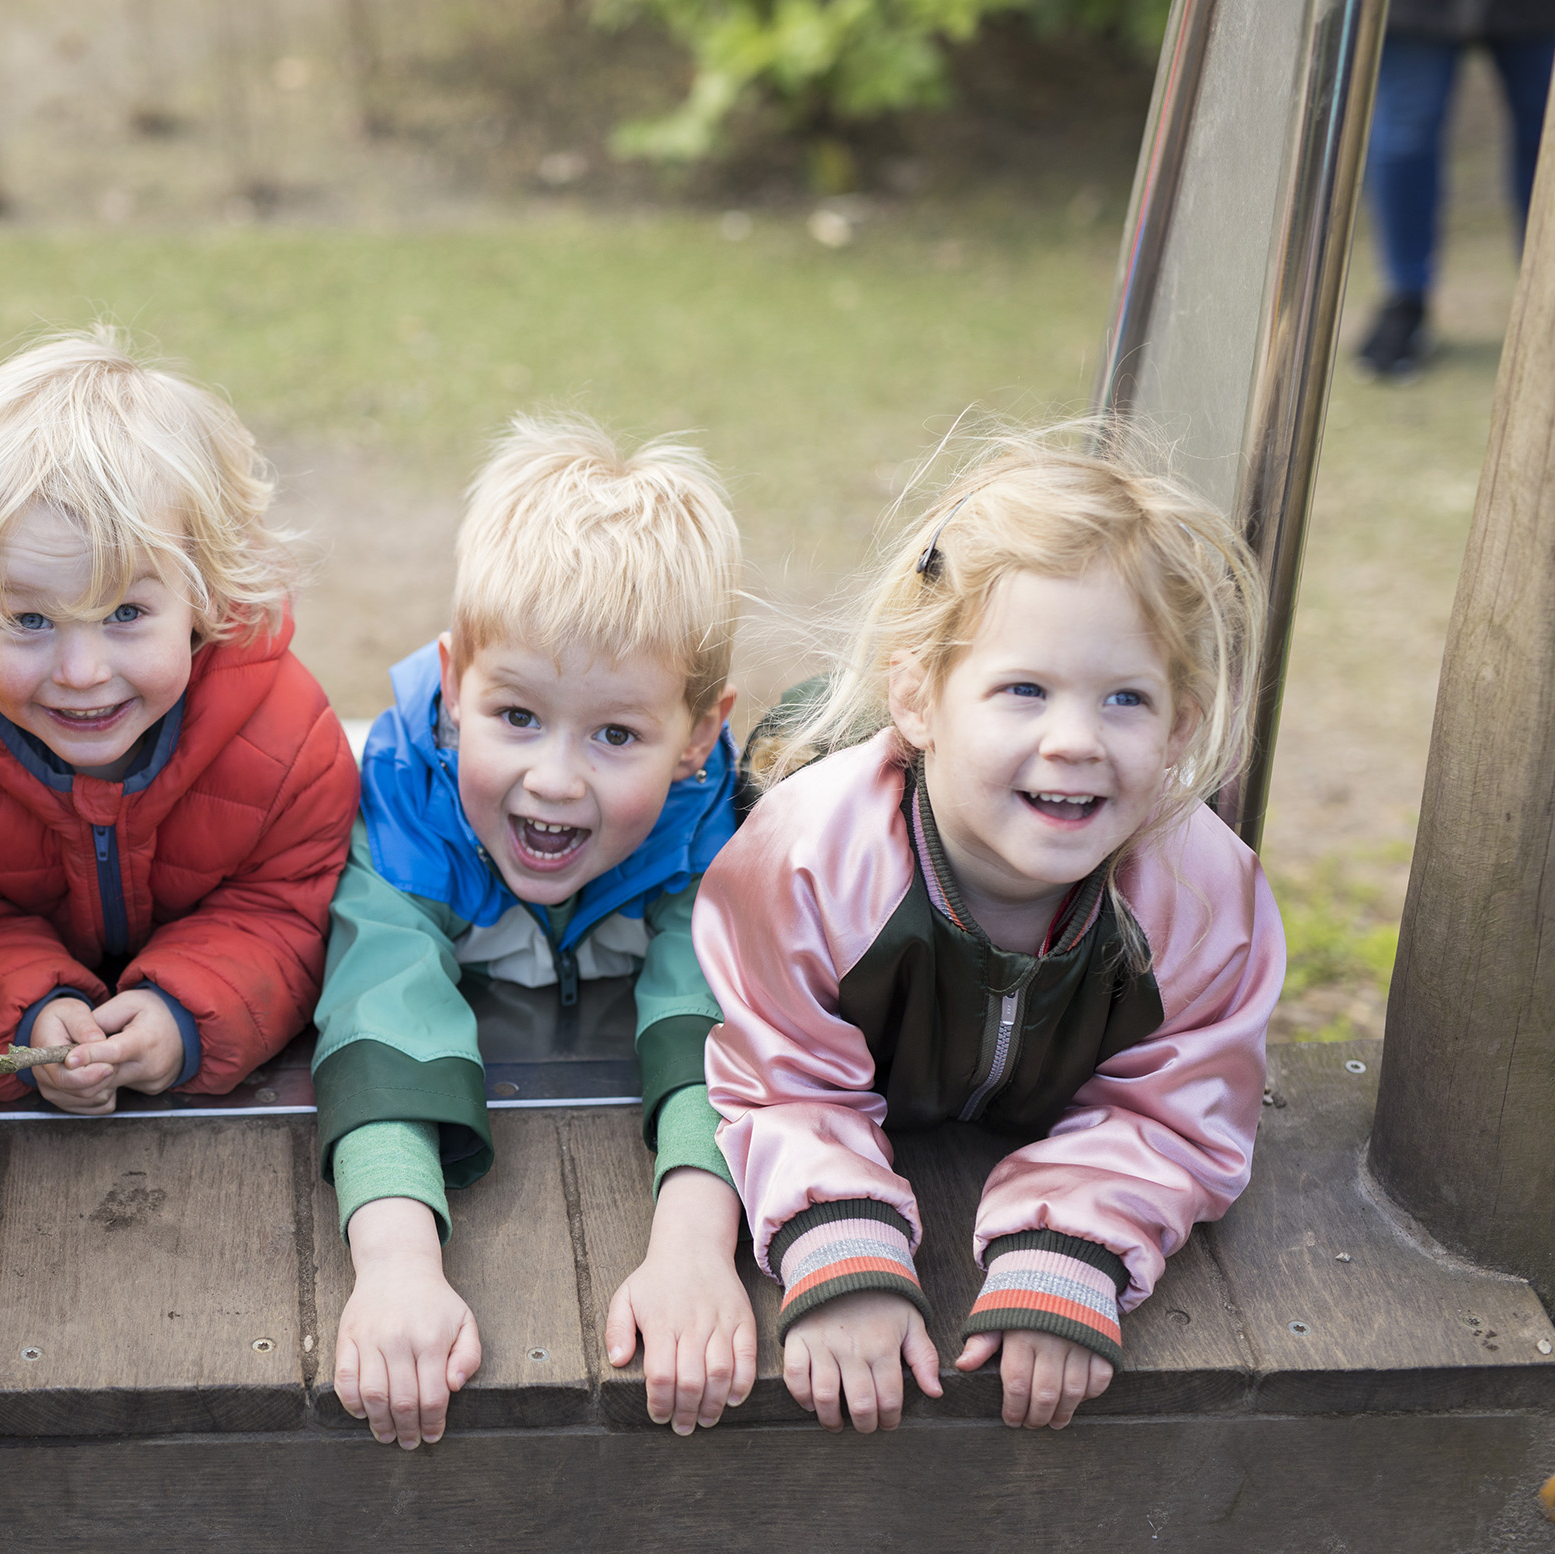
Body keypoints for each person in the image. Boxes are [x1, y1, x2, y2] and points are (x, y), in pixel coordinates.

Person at [698, 435, 1286, 1434]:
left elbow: (1180, 1104)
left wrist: (1072, 1249)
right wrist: (841, 1245)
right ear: (921, 698)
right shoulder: (806, 859)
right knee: (796, 740)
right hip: (837, 802)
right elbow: (779, 1069)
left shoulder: (1201, 896)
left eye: (1125, 699)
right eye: (1025, 688)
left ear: (1181, 729)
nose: (1074, 739)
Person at [314, 416, 748, 1450]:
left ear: (698, 735)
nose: (554, 778)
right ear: (454, 682)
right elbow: (384, 1018)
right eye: (517, 716)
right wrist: (397, 1267)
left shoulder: (712, 835)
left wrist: (694, 1249)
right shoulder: (408, 812)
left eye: (614, 734)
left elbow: (717, 1020)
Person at [0, 328, 358, 1114]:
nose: (82, 671)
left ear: (203, 591)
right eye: (30, 620)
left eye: (126, 611)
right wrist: (25, 1020)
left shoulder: (285, 740)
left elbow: (284, 909)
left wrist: (186, 1014)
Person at [1358, 1, 1555, 377]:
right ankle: (1405, 299)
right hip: (1416, 12)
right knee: (1405, 136)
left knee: (1546, 135)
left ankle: (1545, 294)